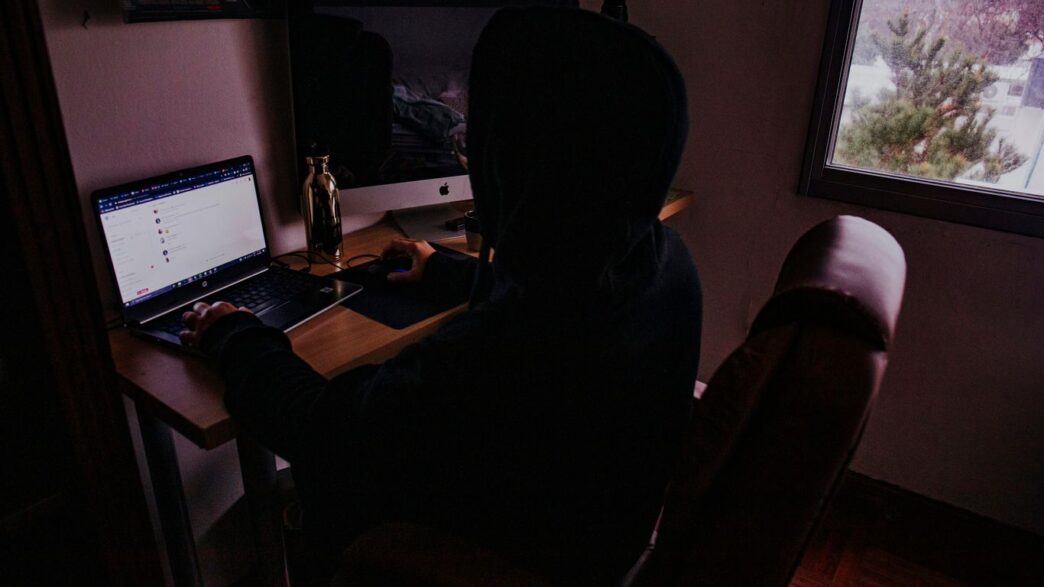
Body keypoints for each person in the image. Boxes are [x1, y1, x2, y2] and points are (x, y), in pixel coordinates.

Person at [179, 7, 701, 584]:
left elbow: (327, 432)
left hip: (498, 549)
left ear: (514, 156)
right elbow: (560, 279)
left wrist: (234, 334)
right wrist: (450, 274)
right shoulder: (668, 264)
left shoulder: (503, 352)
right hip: (591, 529)